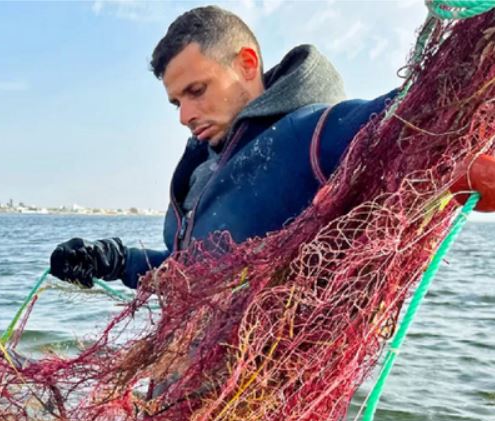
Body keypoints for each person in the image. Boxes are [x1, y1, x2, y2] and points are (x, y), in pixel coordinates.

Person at [50, 5, 495, 290]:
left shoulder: (314, 135)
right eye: (176, 101)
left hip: (255, 419)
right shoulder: (203, 168)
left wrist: (459, 157)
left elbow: (419, 112)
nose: (184, 115)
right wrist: (113, 260)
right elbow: (186, 272)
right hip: (174, 402)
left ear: (246, 64)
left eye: (197, 90)